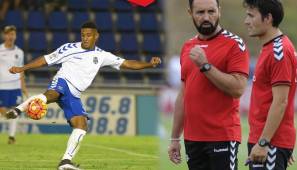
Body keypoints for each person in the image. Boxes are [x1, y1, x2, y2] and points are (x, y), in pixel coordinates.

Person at [3, 21, 161, 170]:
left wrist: (149, 64)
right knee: (52, 94)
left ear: (96, 36)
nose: (85, 38)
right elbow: (45, 60)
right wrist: (22, 68)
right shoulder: (69, 48)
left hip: (74, 94)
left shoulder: (102, 55)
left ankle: (65, 162)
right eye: (83, 35)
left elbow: (127, 63)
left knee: (82, 125)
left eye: (88, 35)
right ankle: (18, 110)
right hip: (63, 81)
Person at [168, 0, 250, 169]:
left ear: (219, 11)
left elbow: (238, 89)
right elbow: (183, 95)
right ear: (190, 13)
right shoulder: (188, 46)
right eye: (200, 12)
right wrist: (175, 138)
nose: (207, 17)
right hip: (192, 139)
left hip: (222, 136)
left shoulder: (235, 44)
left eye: (211, 11)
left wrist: (205, 66)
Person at [243, 0, 297, 169]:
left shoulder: (278, 52)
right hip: (268, 141)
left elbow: (281, 101)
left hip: (268, 142)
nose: (246, 21)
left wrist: (265, 142)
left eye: (251, 16)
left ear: (268, 18)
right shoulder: (271, 48)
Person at [0, 25, 28, 144]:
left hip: (15, 86)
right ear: (4, 35)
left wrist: (24, 87)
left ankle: (11, 137)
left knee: (15, 112)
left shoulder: (19, 52)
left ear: (15, 36)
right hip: (2, 86)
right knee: (3, 112)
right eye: (8, 34)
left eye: (13, 34)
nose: (10, 36)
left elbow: (21, 70)